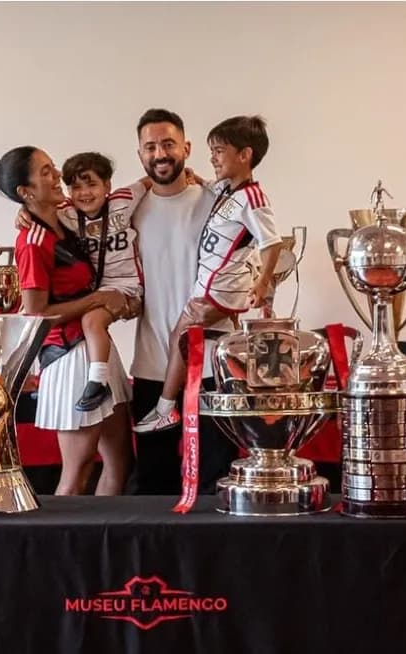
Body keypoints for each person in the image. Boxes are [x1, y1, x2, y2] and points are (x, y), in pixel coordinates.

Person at [0, 145, 132, 496]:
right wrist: (98, 300)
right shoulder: (32, 241)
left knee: (120, 463)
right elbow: (36, 315)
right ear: (26, 191)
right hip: (69, 356)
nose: (57, 177)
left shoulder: (66, 219)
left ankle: (103, 531)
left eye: (53, 168)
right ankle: (64, 533)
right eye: (46, 172)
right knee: (77, 470)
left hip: (95, 349)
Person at [133, 115, 283, 433]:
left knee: (181, 334)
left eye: (219, 151)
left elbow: (272, 242)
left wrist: (261, 284)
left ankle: (165, 408)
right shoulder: (223, 191)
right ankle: (165, 406)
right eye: (150, 147)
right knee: (181, 336)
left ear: (244, 155)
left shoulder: (252, 197)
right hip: (157, 354)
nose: (213, 158)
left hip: (220, 295)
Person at [126, 108, 239, 494]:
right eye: (150, 147)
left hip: (211, 365)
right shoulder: (130, 209)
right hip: (151, 365)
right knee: (153, 486)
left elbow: (250, 262)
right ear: (140, 154)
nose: (160, 154)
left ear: (186, 148)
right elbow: (74, 213)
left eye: (168, 144)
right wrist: (25, 214)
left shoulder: (217, 202)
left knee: (215, 483)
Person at [57, 153, 148, 412]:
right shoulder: (66, 213)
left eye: (92, 184)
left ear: (107, 186)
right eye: (76, 187)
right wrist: (22, 212)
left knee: (90, 321)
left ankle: (98, 382)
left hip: (127, 285)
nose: (85, 193)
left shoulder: (123, 200)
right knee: (83, 322)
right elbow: (38, 206)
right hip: (98, 289)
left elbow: (148, 181)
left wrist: (189, 175)